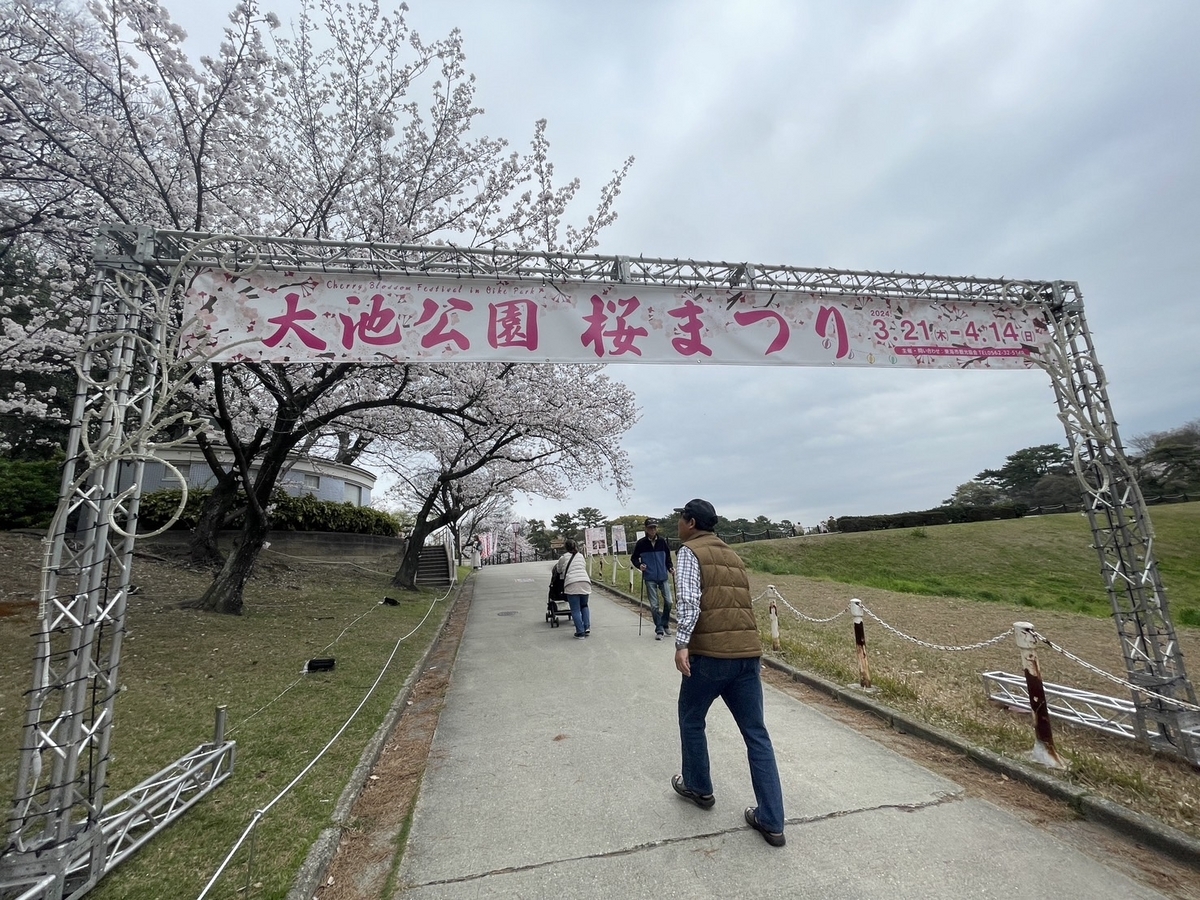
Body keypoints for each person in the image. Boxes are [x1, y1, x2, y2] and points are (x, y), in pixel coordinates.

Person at [670, 498, 786, 847]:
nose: (678, 524)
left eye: (680, 519)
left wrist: (681, 643)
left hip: (710, 655)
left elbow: (690, 601)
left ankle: (699, 787)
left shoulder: (690, 551)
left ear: (690, 523)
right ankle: (772, 820)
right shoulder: (733, 555)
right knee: (756, 734)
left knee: (691, 719)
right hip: (747, 654)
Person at [630, 517, 674, 640]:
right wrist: (640, 565)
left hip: (663, 576)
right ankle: (659, 629)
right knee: (654, 605)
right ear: (646, 529)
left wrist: (670, 567)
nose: (653, 530)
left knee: (669, 601)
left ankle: (665, 623)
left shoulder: (662, 542)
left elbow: (668, 558)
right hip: (649, 577)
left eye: (654, 527)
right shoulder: (641, 543)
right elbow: (634, 558)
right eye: (650, 528)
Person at [555, 539, 591, 638]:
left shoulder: (563, 557)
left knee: (575, 609)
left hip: (571, 583)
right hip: (585, 582)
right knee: (584, 606)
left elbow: (558, 570)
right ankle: (586, 627)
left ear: (565, 547)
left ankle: (580, 632)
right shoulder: (581, 556)